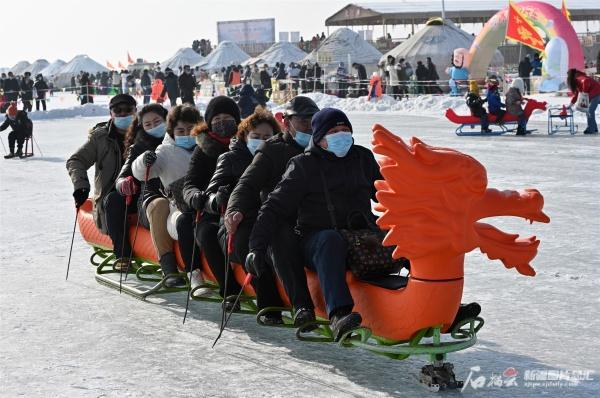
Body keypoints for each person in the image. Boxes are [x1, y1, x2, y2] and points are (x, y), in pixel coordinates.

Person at [245, 108, 382, 341]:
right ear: (319, 138)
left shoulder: (362, 158)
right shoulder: (302, 165)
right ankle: (339, 315)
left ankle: (429, 301)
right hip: (315, 240)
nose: (342, 136)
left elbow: (386, 194)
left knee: (400, 234)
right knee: (330, 239)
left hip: (360, 235)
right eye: (334, 131)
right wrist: (256, 247)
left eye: (345, 130)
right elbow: (274, 207)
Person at [226, 96, 320, 328]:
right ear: (287, 123)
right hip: (281, 219)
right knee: (279, 237)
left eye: (313, 120)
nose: (309, 126)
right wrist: (235, 209)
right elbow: (247, 184)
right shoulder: (272, 150)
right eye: (303, 121)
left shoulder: (324, 146)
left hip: (318, 219)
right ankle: (301, 307)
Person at [206, 109, 283, 323]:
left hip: (272, 218)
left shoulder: (281, 156)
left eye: (266, 137)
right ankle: (269, 304)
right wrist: (221, 196)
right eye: (255, 136)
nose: (260, 141)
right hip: (239, 222)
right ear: (244, 137)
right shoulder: (230, 158)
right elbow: (213, 189)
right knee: (247, 245)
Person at [130, 105, 206, 288]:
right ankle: (192, 273)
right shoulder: (165, 152)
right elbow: (140, 173)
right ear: (172, 131)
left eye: (190, 129)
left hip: (205, 203)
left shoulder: (206, 148)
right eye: (181, 130)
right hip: (179, 208)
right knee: (184, 223)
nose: (186, 134)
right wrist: (143, 161)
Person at [180, 96, 243, 304]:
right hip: (211, 209)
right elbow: (189, 184)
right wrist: (198, 198)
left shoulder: (245, 144)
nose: (222, 122)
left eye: (227, 117)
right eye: (217, 118)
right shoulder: (203, 148)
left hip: (242, 207)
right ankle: (229, 289)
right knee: (207, 234)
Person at [115, 103, 186, 286]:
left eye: (158, 121)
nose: (154, 127)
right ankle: (168, 267)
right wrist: (124, 183)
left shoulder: (181, 138)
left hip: (180, 195)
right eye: (148, 124)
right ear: (142, 127)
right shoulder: (139, 147)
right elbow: (125, 174)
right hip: (151, 199)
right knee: (160, 205)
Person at [66, 94, 138, 268]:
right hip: (112, 198)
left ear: (136, 112)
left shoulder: (145, 133)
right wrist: (81, 185)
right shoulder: (101, 138)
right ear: (111, 113)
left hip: (143, 192)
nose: (123, 114)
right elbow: (76, 161)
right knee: (113, 200)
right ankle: (122, 255)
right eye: (118, 111)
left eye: (127, 110)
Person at [567, 68, 600, 134]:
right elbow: (576, 94)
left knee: (590, 110)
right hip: (594, 94)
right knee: (589, 110)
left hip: (596, 93)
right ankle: (594, 128)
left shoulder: (579, 77)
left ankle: (591, 129)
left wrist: (584, 92)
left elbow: (586, 81)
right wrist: (570, 105)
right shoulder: (577, 80)